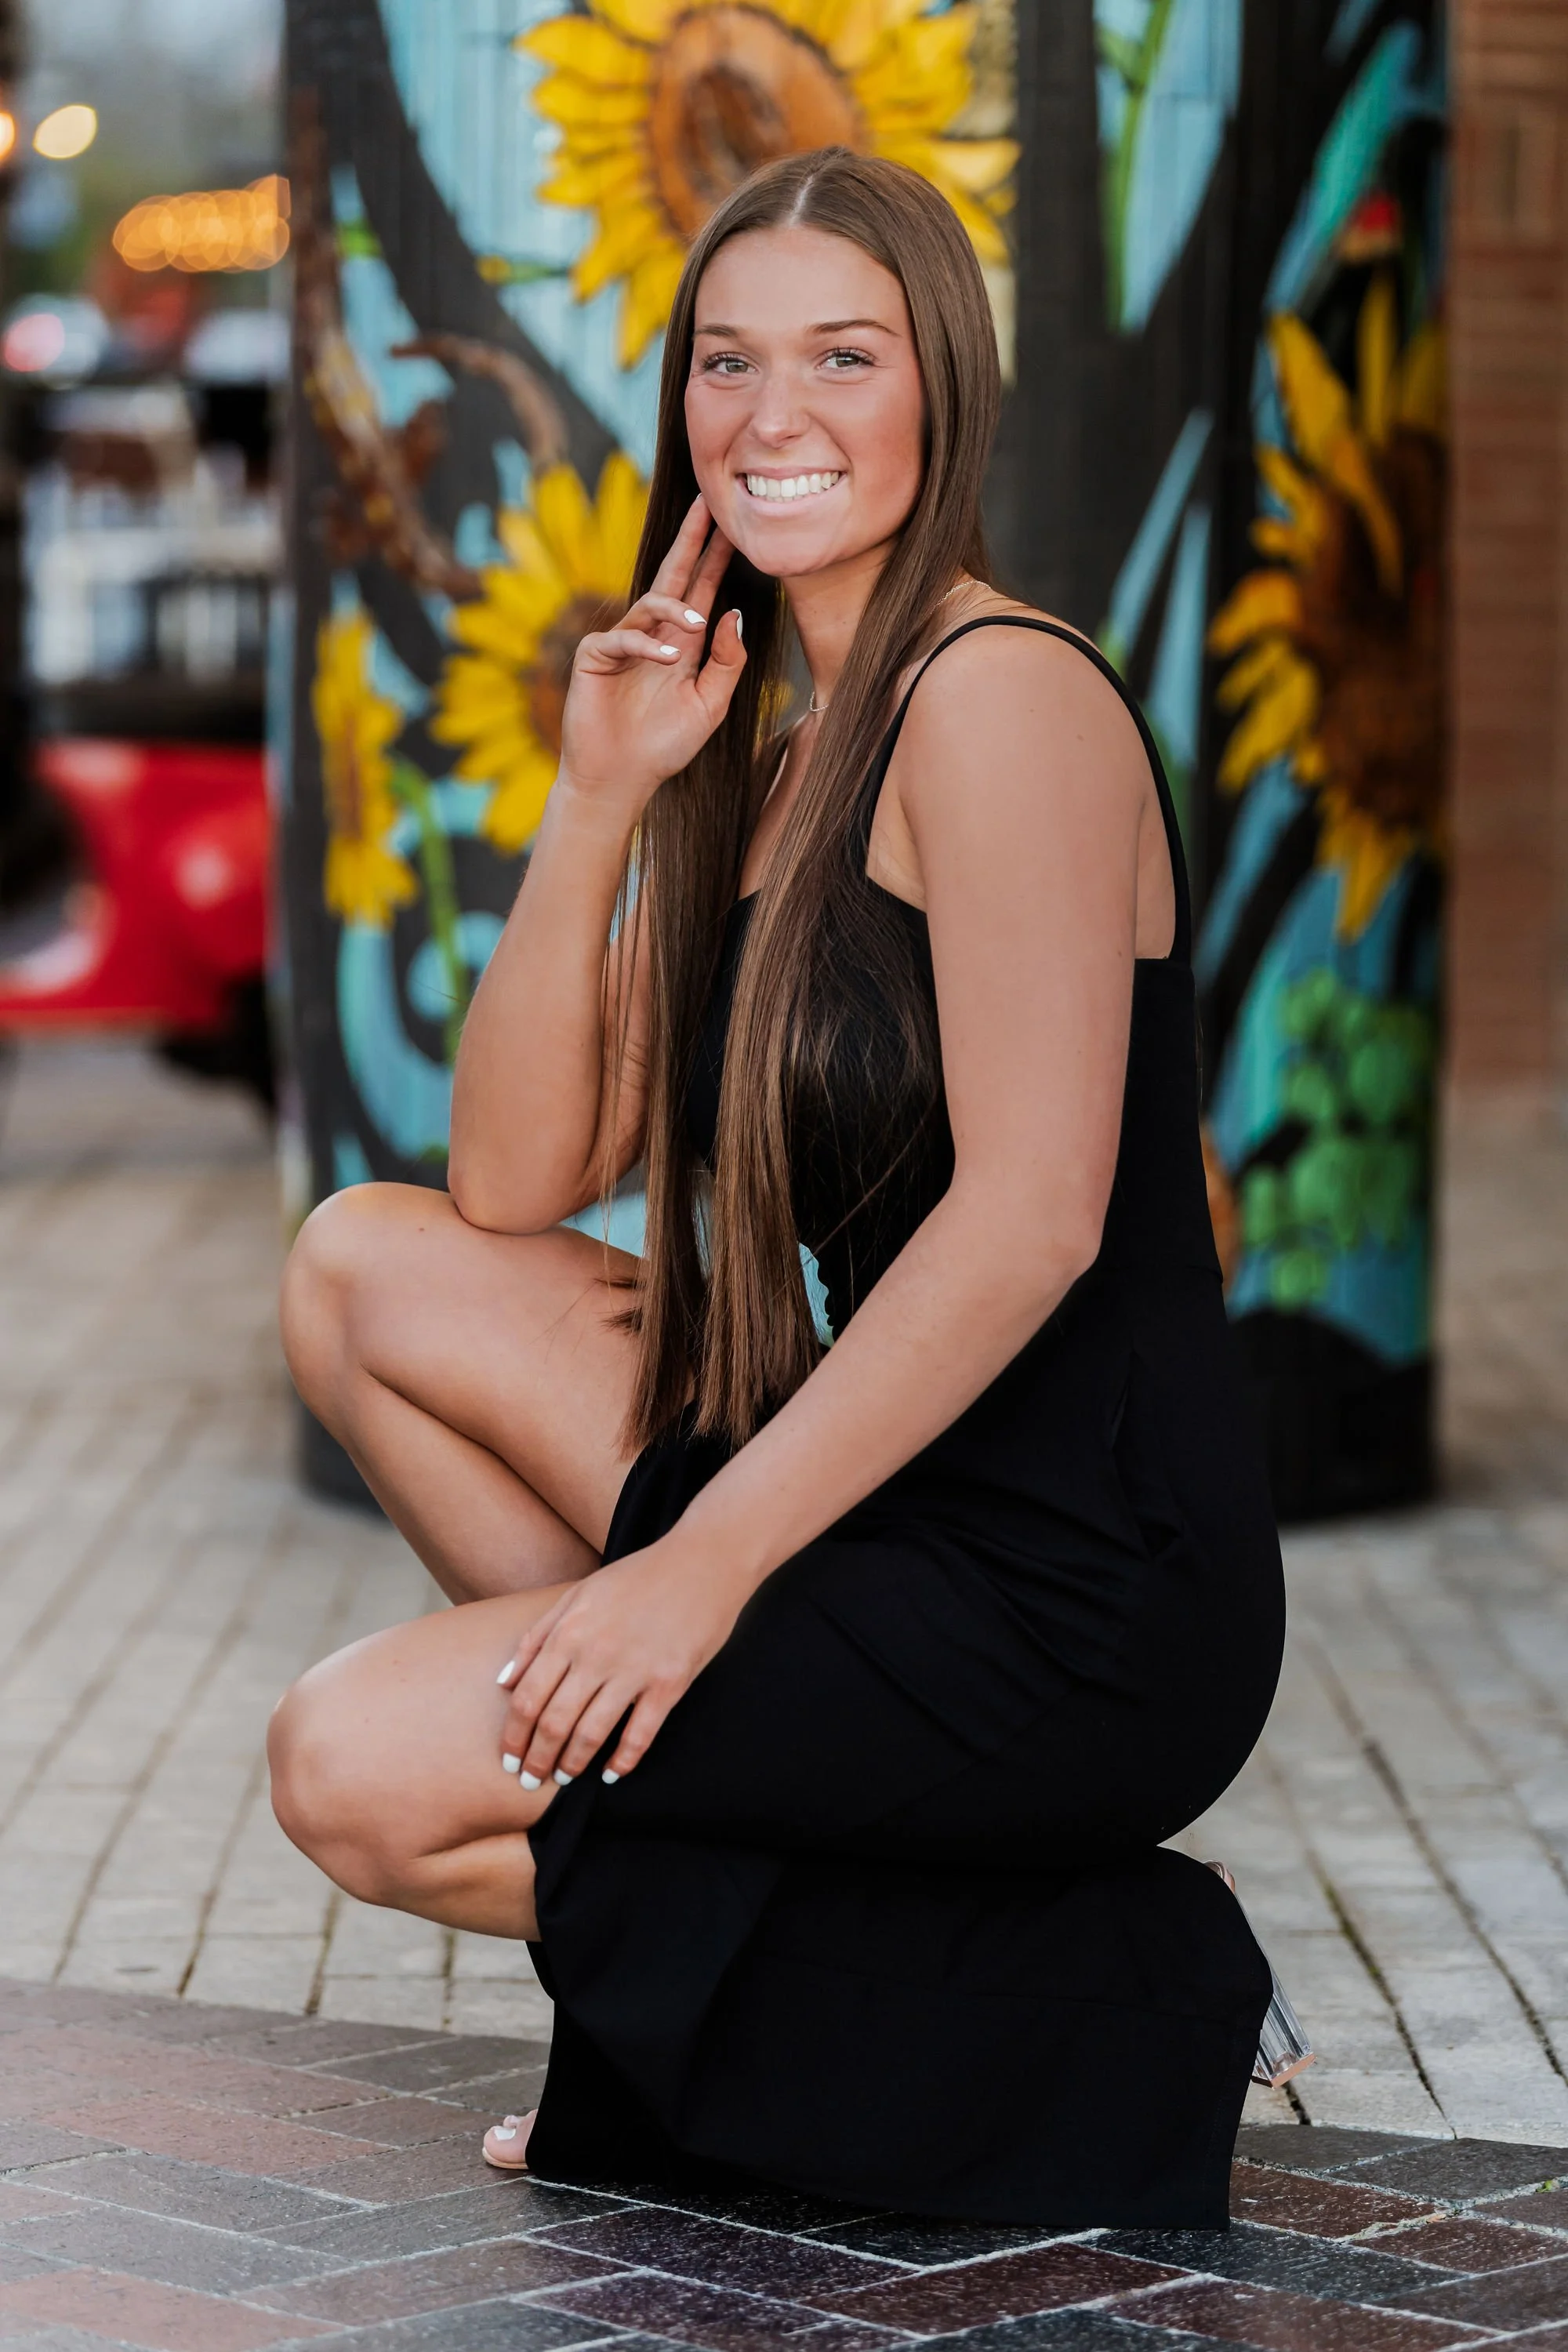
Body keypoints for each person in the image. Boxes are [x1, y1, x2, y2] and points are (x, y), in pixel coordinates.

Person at [270, 146, 1287, 2229]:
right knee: (362, 1274)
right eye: (728, 361)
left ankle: (1115, 1979)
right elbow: (508, 1170)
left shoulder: (1001, 698)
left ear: (949, 389)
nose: (772, 416)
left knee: (357, 1768)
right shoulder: (791, 740)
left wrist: (693, 1574)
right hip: (892, 1484)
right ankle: (866, 1918)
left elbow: (1034, 1220)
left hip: (1083, 1575)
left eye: (844, 353)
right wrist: (603, 791)